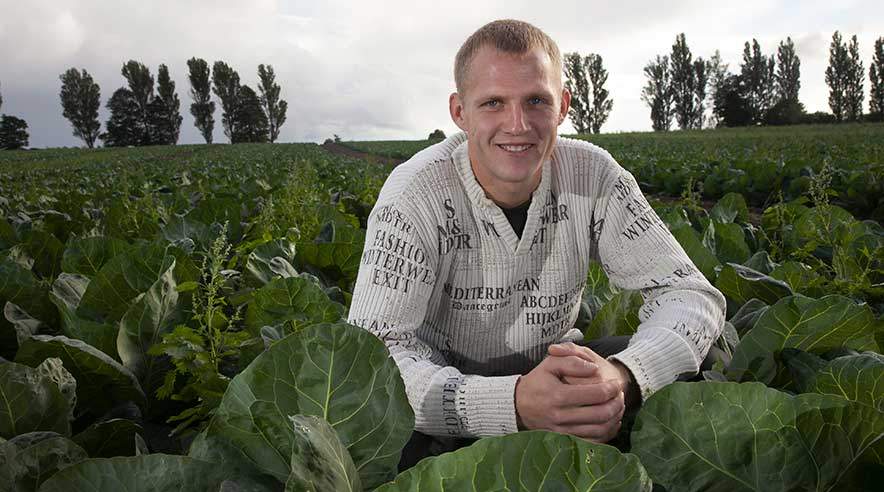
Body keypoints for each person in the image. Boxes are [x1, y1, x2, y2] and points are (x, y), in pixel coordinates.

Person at [347, 19, 725, 468]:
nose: (518, 124)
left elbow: (691, 295)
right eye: (493, 103)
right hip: (443, 397)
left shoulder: (593, 175)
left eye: (536, 101)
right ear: (459, 112)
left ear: (563, 106)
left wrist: (624, 376)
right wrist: (512, 403)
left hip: (555, 373)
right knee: (374, 438)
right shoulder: (415, 195)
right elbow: (372, 355)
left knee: (709, 354)